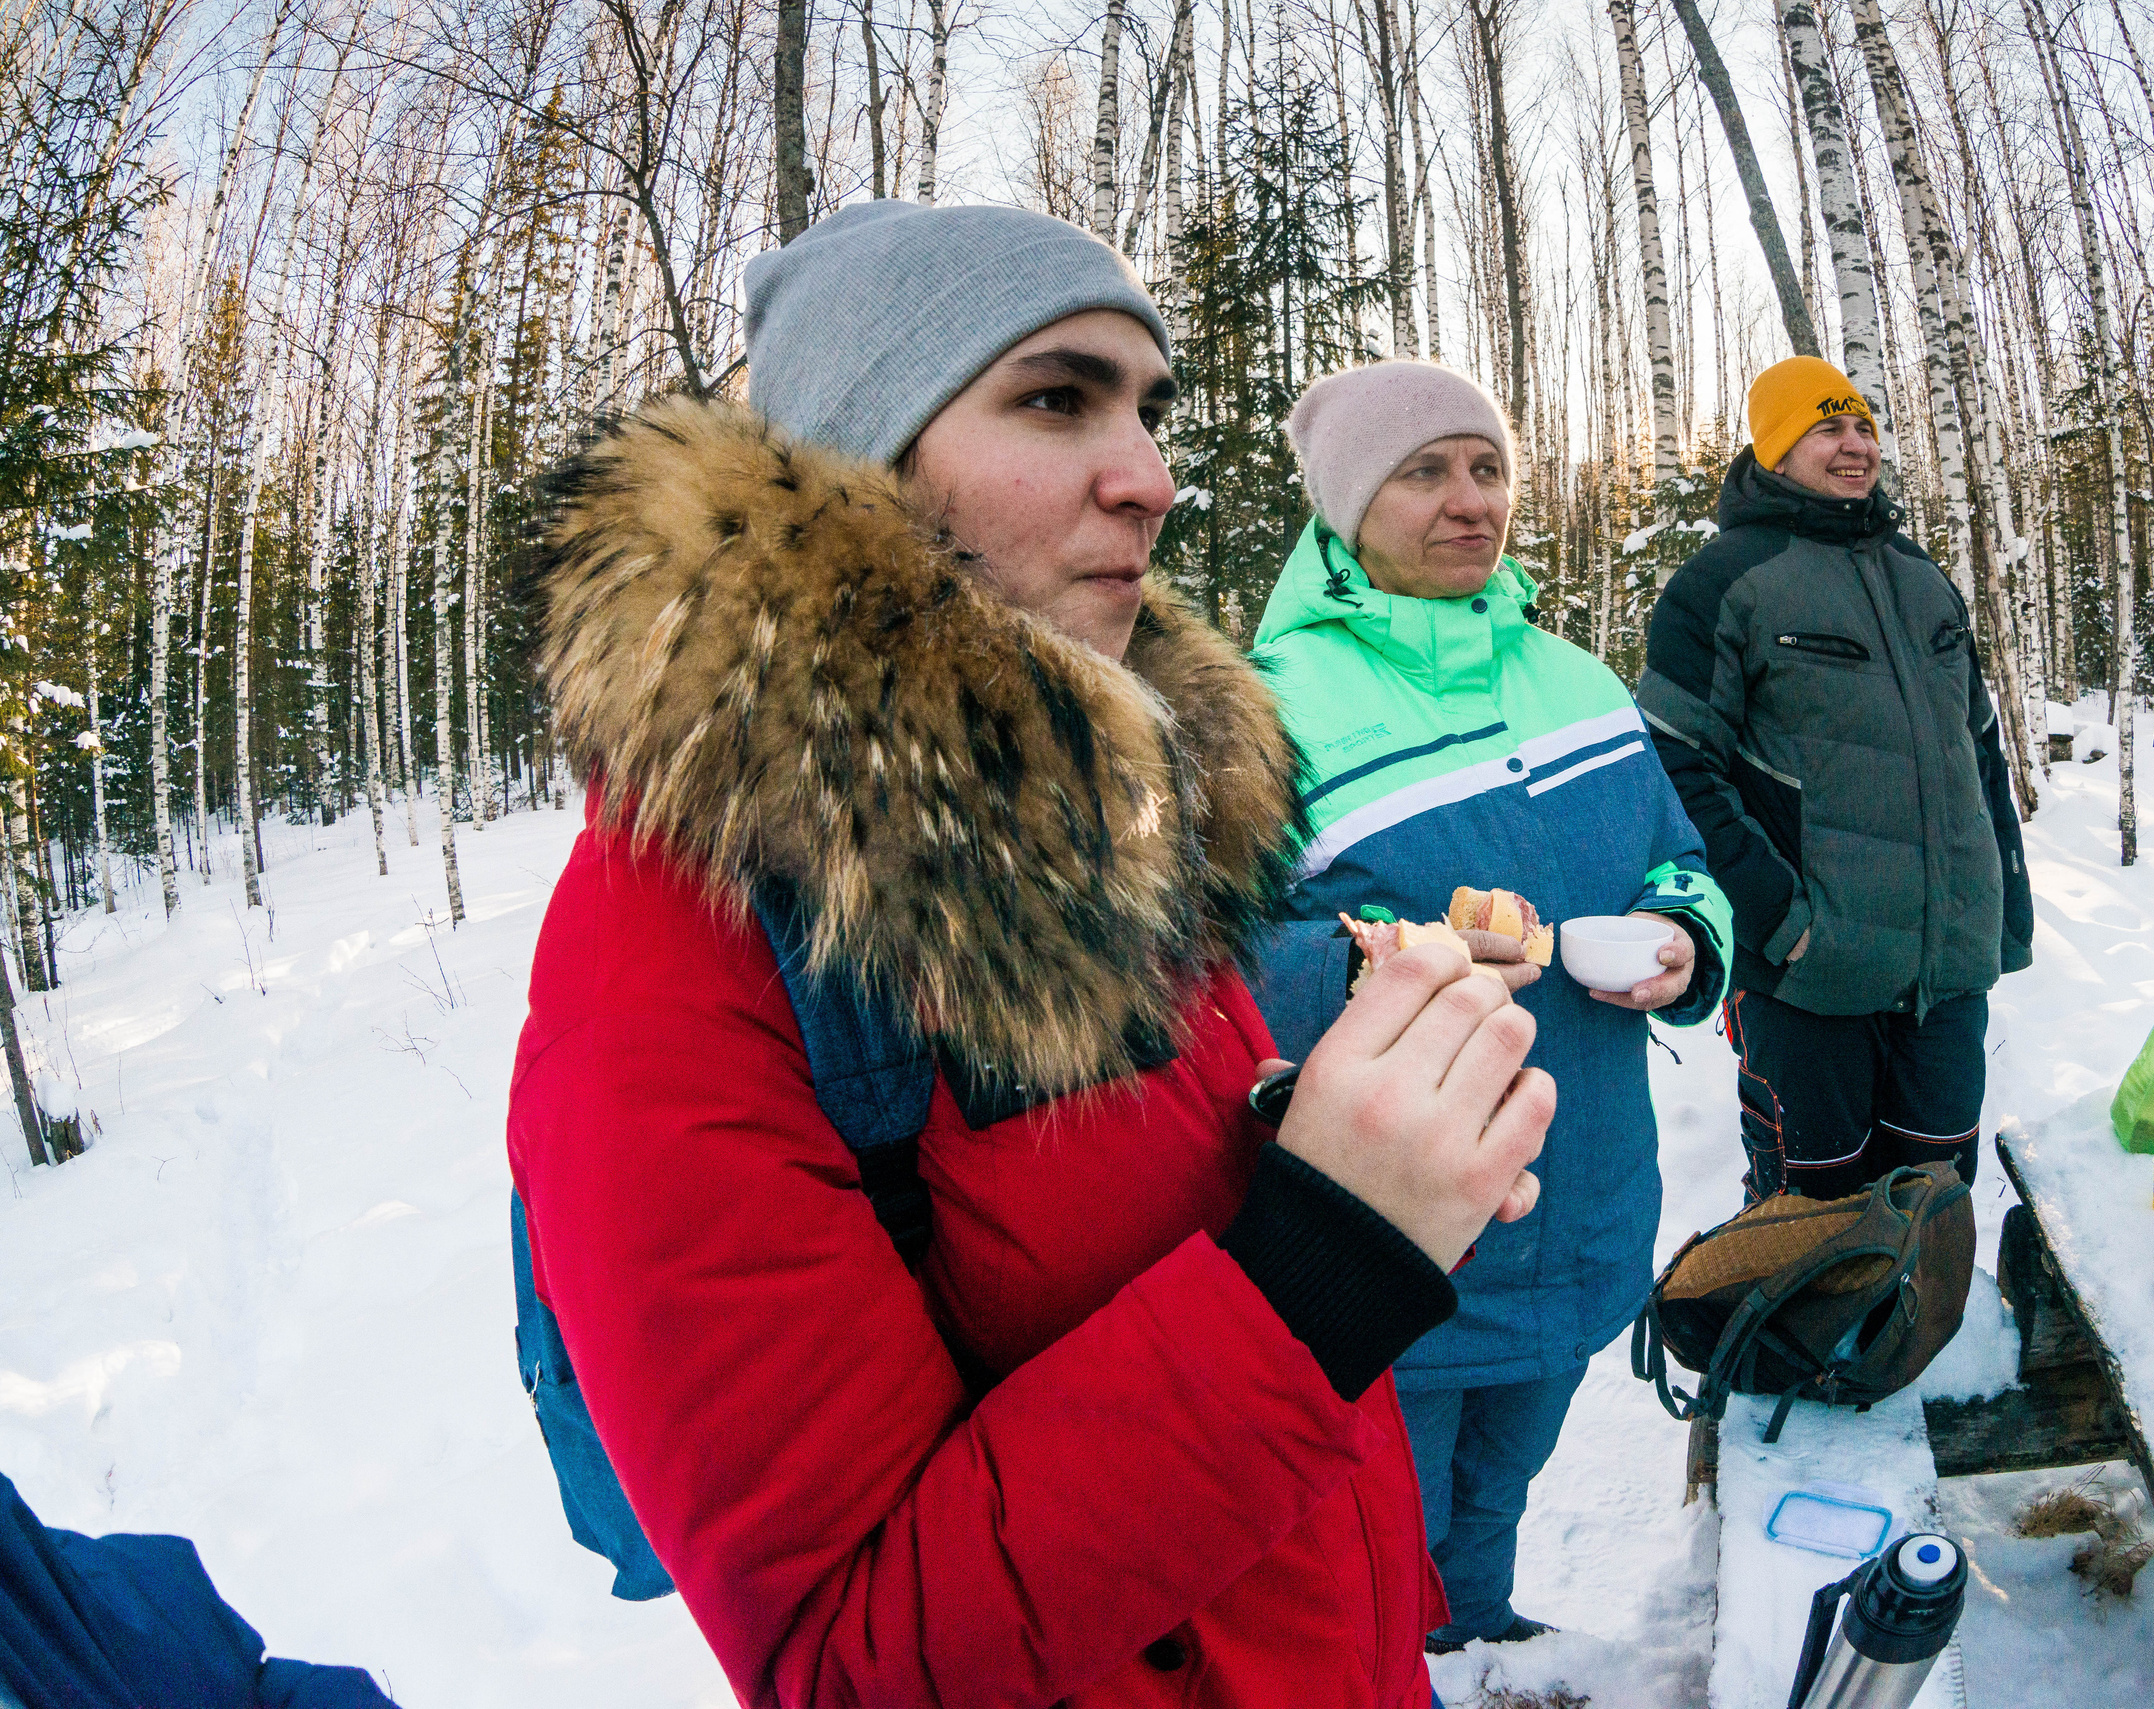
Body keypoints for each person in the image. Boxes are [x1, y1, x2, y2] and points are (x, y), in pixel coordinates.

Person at [508, 203, 1558, 1709]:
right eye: (1057, 401)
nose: (1151, 478)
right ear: (845, 469)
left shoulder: (1113, 793)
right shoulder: (675, 952)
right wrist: (1323, 1258)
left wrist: (1318, 1143)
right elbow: (850, 1658)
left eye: (1145, 408)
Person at [1247, 360, 1733, 1654]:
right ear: (1350, 506)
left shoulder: (1574, 677)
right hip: (1404, 1222)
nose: (1471, 502)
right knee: (1371, 1519)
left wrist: (1686, 938)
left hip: (1585, 1191)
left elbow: (1677, 857)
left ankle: (1479, 1633)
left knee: (1503, 1480)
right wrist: (1371, 972)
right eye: (1425, 473)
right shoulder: (1271, 710)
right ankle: (1395, 1666)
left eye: (1486, 467)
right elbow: (1210, 963)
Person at [1638, 355, 2031, 1206]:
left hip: (1943, 978)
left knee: (1930, 1204)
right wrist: (1781, 922)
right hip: (1810, 983)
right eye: (1827, 428)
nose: (1854, 445)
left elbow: (1981, 752)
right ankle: (1794, 1345)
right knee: (1809, 1219)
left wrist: (2004, 906)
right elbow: (1672, 764)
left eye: (1863, 427)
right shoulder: (1723, 583)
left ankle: (1909, 1344)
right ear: (1776, 449)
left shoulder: (1921, 578)